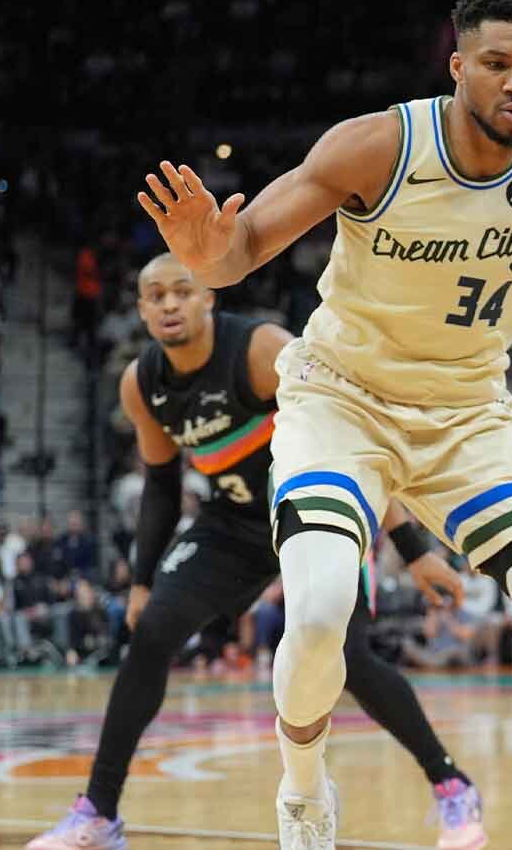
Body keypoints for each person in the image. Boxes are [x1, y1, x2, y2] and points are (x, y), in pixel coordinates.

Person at [134, 0, 512, 850]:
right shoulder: (380, 146)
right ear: (458, 67)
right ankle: (303, 791)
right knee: (318, 614)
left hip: (467, 414)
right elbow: (238, 253)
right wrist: (206, 252)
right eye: (498, 63)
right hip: (341, 400)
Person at [25, 256, 486, 850]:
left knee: (348, 659)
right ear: (141, 310)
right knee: (153, 632)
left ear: (208, 298)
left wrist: (413, 549)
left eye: (182, 291)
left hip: (311, 510)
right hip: (234, 523)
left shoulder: (262, 350)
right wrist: (141, 581)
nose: (169, 304)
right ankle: (98, 814)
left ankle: (452, 786)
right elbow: (161, 486)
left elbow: (350, 437)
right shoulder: (142, 385)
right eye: (156, 296)